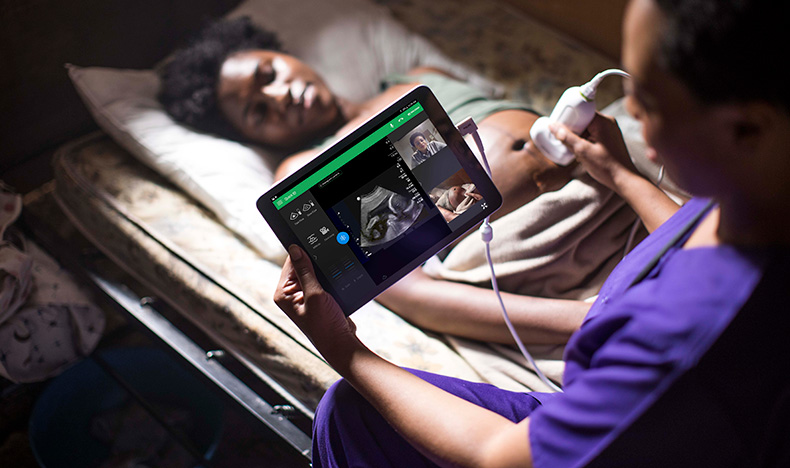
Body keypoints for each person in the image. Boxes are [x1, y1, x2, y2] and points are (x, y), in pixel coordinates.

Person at [273, 0, 790, 465]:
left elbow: (500, 458)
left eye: (650, 103)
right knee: (348, 414)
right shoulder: (753, 198)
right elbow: (693, 232)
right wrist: (623, 176)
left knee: (349, 410)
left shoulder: (676, 341)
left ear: (748, 128)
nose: (629, 111)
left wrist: (344, 350)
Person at [159, 16, 639, 349]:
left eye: (269, 73)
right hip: (536, 249)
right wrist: (580, 320)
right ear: (250, 137)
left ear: (285, 55)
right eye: (257, 111)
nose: (279, 95)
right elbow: (413, 294)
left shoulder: (416, 78)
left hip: (615, 182)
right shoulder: (305, 170)